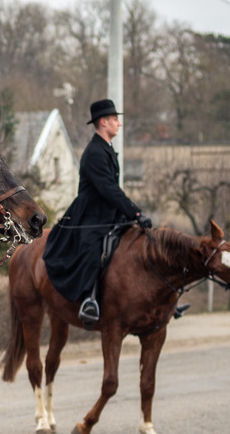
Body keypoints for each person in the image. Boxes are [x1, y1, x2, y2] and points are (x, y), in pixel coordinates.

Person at [41, 98, 152, 328]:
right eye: (114, 120)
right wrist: (136, 213)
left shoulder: (107, 150)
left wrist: (133, 215)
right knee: (93, 250)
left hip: (110, 214)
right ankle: (89, 300)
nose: (119, 124)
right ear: (103, 122)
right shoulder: (94, 153)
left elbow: (113, 190)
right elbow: (108, 189)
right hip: (91, 216)